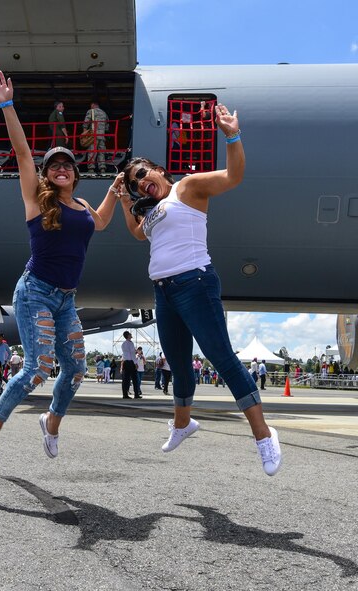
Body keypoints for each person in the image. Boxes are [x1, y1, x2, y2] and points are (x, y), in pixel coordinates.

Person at [117, 103, 282, 475]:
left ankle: (263, 435)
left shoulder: (187, 188)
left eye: (142, 174)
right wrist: (125, 199)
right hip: (164, 292)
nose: (141, 183)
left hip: (195, 283)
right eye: (135, 183)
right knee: (178, 363)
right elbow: (137, 233)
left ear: (159, 170)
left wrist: (232, 136)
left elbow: (234, 176)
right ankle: (182, 423)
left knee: (221, 358)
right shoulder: (153, 210)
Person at [0, 71, 120, 464]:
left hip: (66, 300)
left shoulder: (82, 205)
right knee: (37, 368)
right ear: (47, 173)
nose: (61, 168)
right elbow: (24, 154)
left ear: (75, 174)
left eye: (67, 165)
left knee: (76, 369)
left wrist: (113, 192)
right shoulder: (38, 200)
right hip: (35, 292)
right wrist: (7, 105)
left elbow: (101, 224)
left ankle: (51, 421)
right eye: (54, 165)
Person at [82, 101, 109, 174]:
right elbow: (107, 127)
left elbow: (86, 122)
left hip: (93, 136)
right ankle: (102, 168)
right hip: (102, 136)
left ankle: (91, 169)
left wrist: (84, 133)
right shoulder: (104, 113)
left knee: (92, 152)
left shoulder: (91, 111)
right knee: (101, 152)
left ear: (93, 105)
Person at [120, 330, 141, 399]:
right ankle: (136, 394)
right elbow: (132, 354)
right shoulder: (130, 343)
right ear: (128, 336)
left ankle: (125, 394)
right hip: (131, 362)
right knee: (135, 379)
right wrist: (135, 363)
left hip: (125, 362)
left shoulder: (123, 344)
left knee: (125, 379)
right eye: (130, 334)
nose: (131, 335)